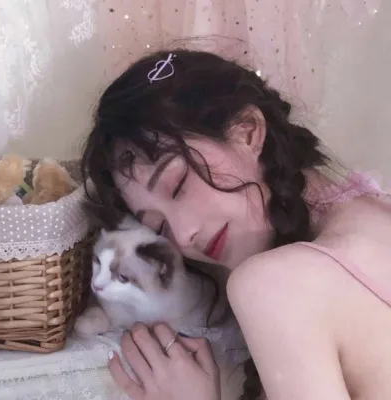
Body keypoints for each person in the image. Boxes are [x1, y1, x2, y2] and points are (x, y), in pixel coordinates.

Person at [81, 49, 391, 400]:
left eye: (179, 185)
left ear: (248, 131)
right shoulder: (370, 209)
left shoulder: (272, 284)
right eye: (159, 226)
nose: (183, 236)